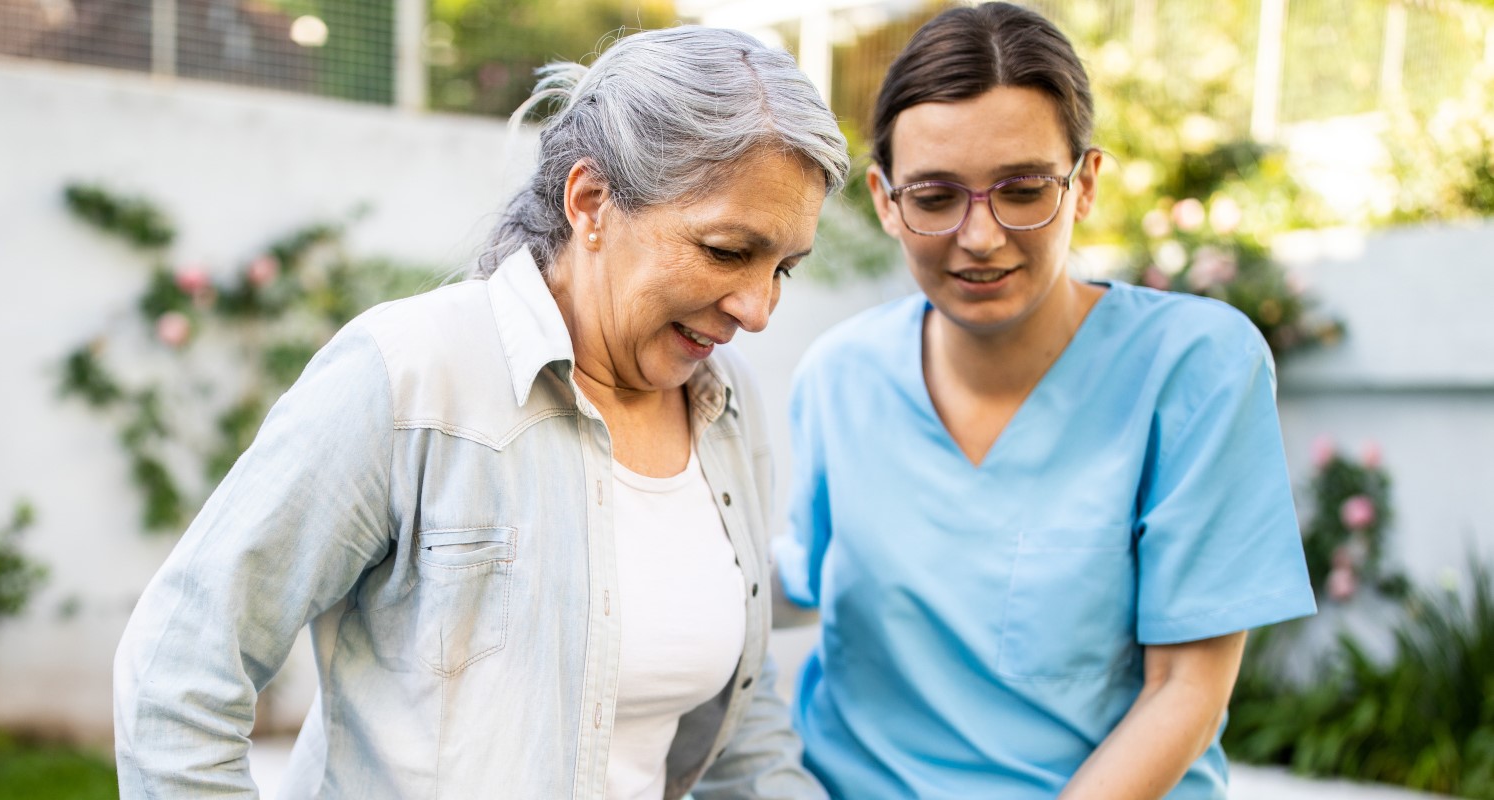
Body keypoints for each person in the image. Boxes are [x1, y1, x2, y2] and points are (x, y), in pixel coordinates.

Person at [114, 26, 849, 799]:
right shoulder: (409, 372)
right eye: (730, 251)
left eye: (785, 270)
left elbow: (743, 719)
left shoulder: (726, 405)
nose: (758, 309)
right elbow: (181, 672)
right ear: (591, 200)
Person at [777, 4, 1317, 799]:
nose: (981, 235)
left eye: (1023, 189)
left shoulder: (1195, 366)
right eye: (935, 198)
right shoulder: (837, 376)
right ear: (887, 201)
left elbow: (1187, 693)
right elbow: (786, 589)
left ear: (1086, 184)